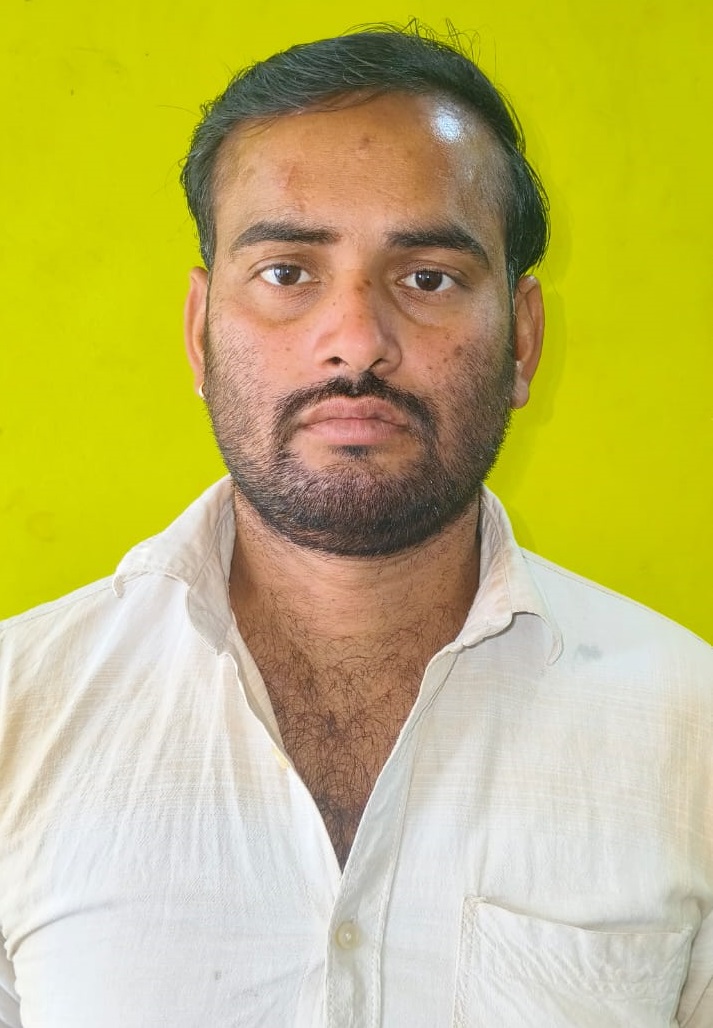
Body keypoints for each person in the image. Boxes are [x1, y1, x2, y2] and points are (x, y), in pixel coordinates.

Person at [0, 24, 711, 1028]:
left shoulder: (690, 731)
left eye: (426, 277)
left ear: (522, 341)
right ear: (199, 332)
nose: (356, 342)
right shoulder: (19, 712)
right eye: (287, 271)